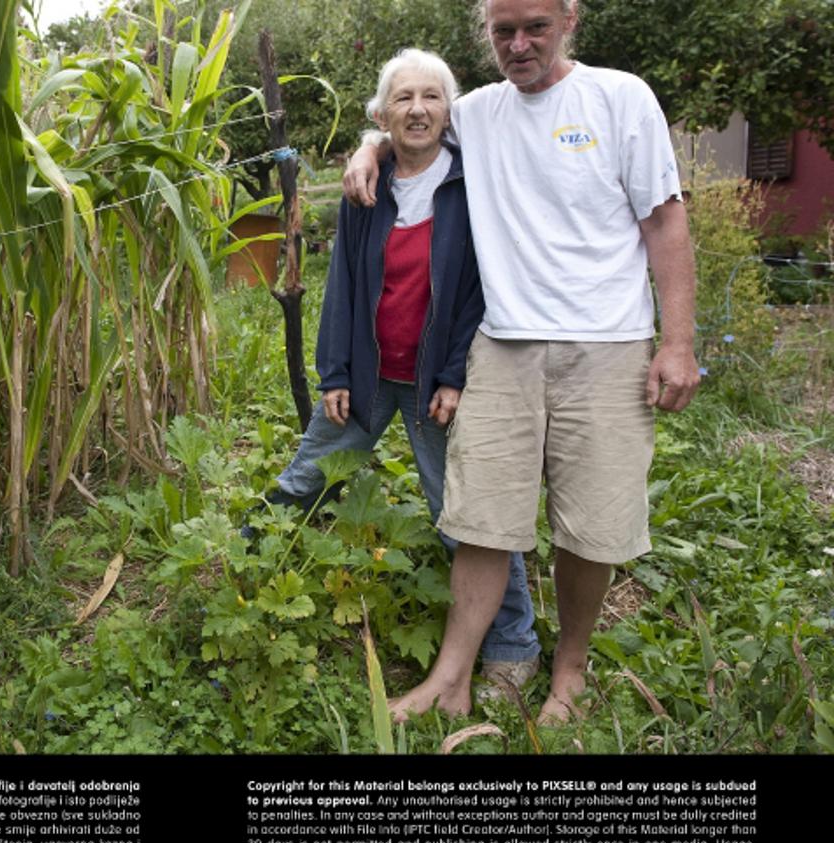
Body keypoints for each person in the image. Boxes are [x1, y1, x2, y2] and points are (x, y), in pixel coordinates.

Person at [342, 0, 700, 724]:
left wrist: (677, 342)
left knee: (588, 525)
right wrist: (366, 148)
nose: (519, 44)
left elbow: (663, 219)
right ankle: (452, 676)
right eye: (503, 31)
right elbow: (412, 126)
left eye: (535, 26)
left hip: (609, 345)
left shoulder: (620, 97)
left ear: (570, 18)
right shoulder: (478, 113)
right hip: (502, 344)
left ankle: (568, 673)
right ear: (487, 32)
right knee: (481, 517)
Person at [256, 47, 542, 699]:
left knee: (466, 512)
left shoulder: (475, 182)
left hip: (434, 385)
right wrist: (333, 372)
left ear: (451, 108)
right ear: (382, 114)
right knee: (308, 472)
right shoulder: (366, 188)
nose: (417, 109)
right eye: (403, 98)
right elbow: (343, 286)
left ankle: (511, 640)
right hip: (366, 371)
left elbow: (475, 288)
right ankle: (248, 558)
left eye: (431, 96)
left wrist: (452, 375)